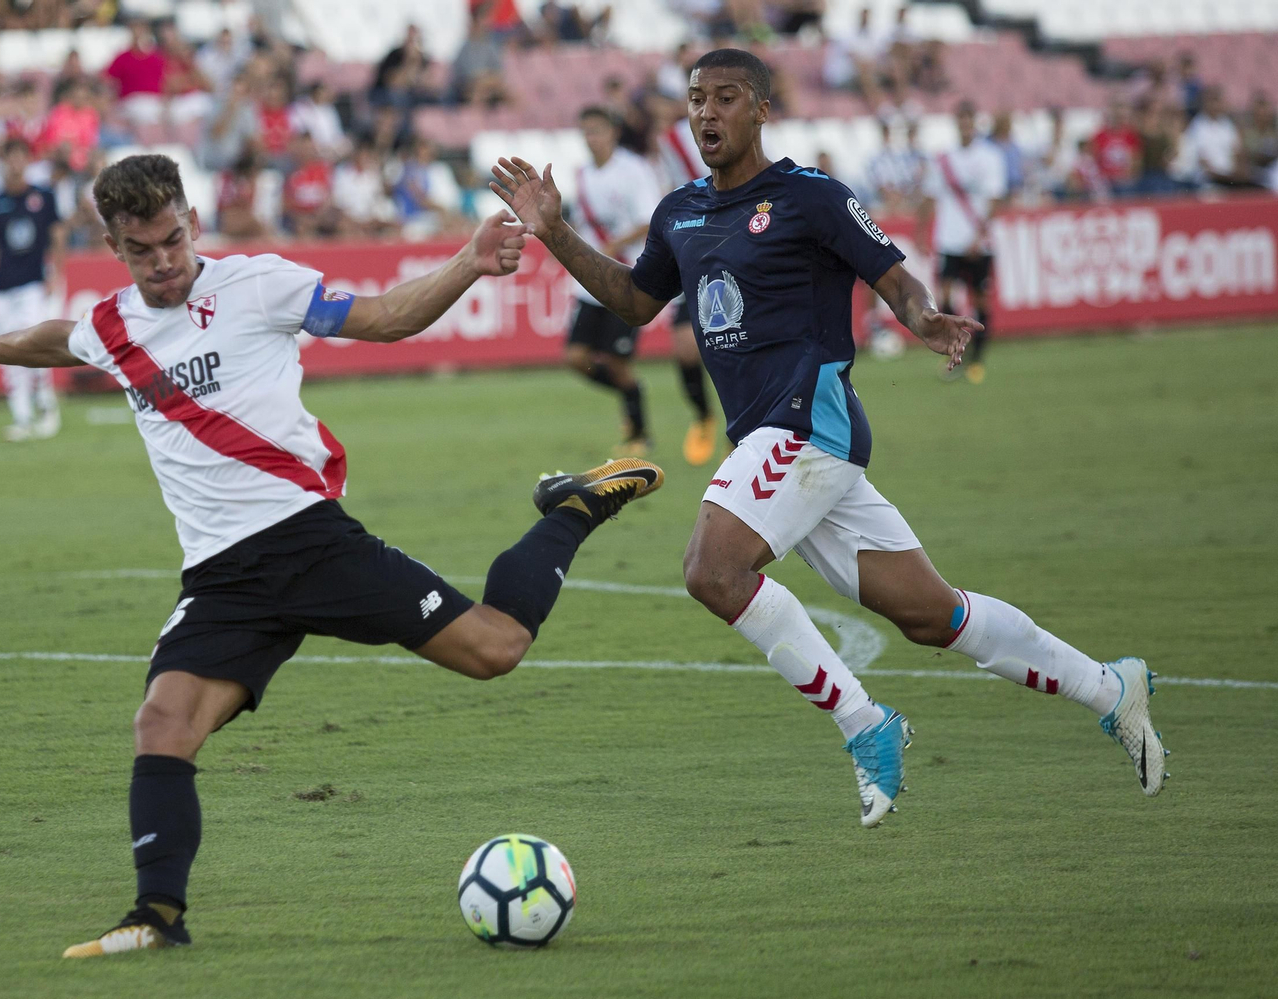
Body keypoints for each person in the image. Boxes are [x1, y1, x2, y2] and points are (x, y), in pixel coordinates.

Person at [0, 152, 663, 957]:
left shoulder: (257, 286)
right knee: (162, 723)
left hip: (307, 540)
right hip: (222, 579)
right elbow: (60, 340)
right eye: (142, 250)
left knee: (496, 648)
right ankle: (158, 914)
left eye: (173, 240)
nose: (164, 262)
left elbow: (384, 318)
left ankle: (575, 506)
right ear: (115, 246)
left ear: (193, 222)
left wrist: (470, 262)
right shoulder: (113, 325)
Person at [489, 48, 1167, 830]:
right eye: (696, 99)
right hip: (782, 443)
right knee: (932, 615)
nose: (707, 113)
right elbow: (636, 301)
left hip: (808, 417)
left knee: (712, 571)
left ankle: (865, 724)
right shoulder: (680, 211)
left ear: (763, 110)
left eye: (727, 98)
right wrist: (555, 232)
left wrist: (923, 317)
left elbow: (891, 274)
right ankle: (1112, 689)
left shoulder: (810, 197)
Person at [562, 107, 664, 455]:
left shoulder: (633, 170)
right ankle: (631, 390)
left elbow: (649, 219)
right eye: (585, 131)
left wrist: (611, 246)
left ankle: (639, 433)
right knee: (576, 357)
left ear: (613, 132)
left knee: (618, 362)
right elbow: (580, 223)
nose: (591, 138)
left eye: (597, 130)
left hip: (626, 276)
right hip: (590, 283)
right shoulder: (582, 176)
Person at [652, 100, 721, 465]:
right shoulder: (665, 144)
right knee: (684, 347)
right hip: (691, 244)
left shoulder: (696, 136)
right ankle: (703, 417)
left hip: (729, 244)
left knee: (736, 340)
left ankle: (748, 428)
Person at [0, 136, 65, 442]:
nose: (15, 163)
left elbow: (57, 236)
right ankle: (21, 416)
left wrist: (56, 273)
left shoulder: (43, 196)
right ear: (4, 161)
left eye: (20, 156)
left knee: (33, 345)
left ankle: (46, 408)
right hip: (3, 285)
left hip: (33, 283)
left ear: (28, 160)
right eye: (10, 157)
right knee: (7, 350)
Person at [917, 101, 1005, 384]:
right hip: (949, 240)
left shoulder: (989, 157)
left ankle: (978, 361)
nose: (964, 124)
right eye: (960, 119)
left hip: (978, 243)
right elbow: (930, 197)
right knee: (944, 299)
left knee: (980, 301)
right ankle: (959, 354)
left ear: (975, 122)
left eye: (969, 119)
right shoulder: (943, 158)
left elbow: (993, 201)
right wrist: (921, 233)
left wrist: (978, 238)